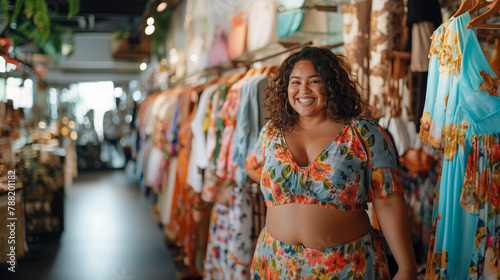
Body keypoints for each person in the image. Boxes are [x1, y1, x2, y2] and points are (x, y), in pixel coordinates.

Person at [245, 46, 417, 279]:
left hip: (346, 266)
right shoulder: (272, 132)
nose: (303, 90)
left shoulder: (364, 133)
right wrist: (293, 189)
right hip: (275, 262)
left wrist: (406, 267)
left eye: (314, 81)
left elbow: (388, 201)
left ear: (331, 85)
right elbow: (254, 168)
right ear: (286, 87)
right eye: (295, 82)